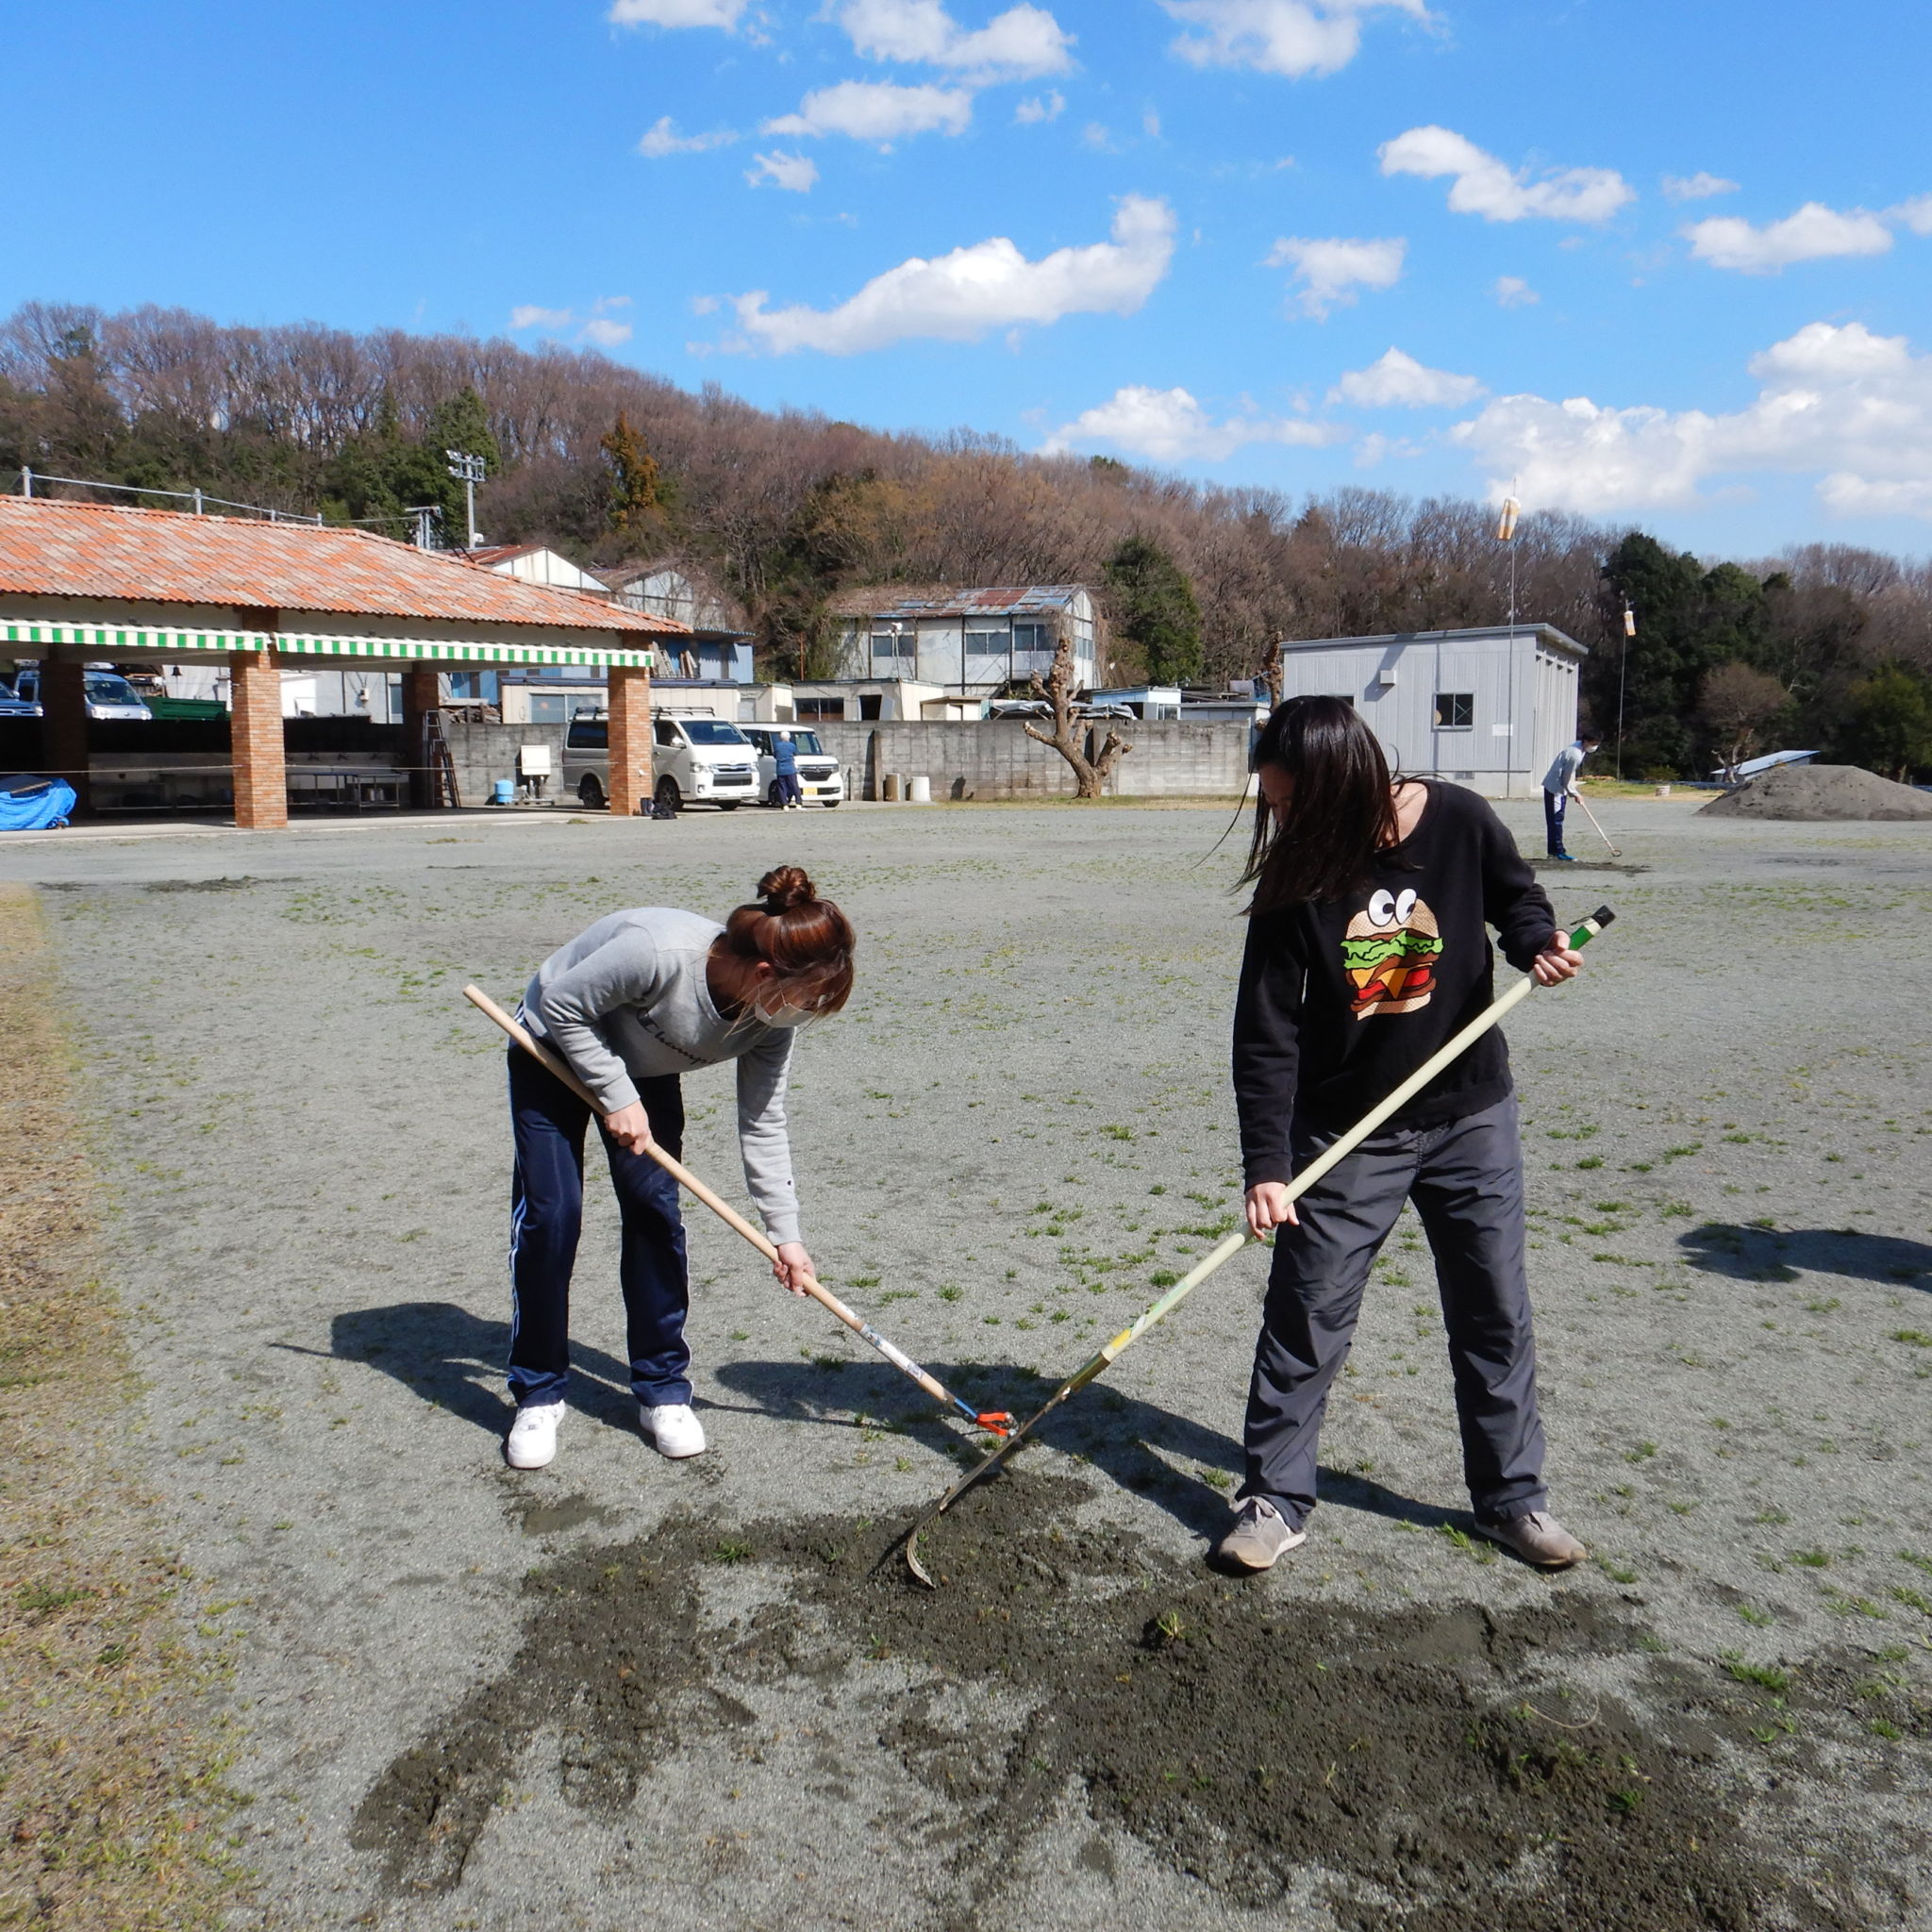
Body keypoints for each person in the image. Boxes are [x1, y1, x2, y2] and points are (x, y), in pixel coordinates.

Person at [1217, 697, 1588, 1574]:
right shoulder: (1295, 874)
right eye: (1272, 802)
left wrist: (1536, 943)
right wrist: (1267, 1164)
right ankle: (1274, 1499)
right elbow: (1265, 1029)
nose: (1278, 819)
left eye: (1288, 801)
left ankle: (1513, 1499)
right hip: (1346, 1130)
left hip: (1469, 1116)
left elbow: (1517, 900)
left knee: (1493, 1307)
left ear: (1339, 785)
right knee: (1308, 1311)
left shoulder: (1459, 820)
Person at [501, 866, 855, 1471]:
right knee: (552, 1217)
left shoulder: (770, 1020)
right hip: (552, 1047)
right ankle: (538, 1392)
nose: (806, 1011)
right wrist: (616, 1094)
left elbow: (763, 1122)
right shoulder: (657, 953)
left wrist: (786, 1235)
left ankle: (662, 1388)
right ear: (763, 973)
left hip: (646, 1069)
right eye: (807, 997)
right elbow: (560, 1003)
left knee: (654, 1213)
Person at [1541, 731, 1601, 862]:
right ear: (1585, 742)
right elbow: (1565, 779)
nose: (1594, 747)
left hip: (1559, 788)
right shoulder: (1575, 755)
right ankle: (1558, 852)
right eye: (1593, 744)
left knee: (1556, 820)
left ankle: (1554, 851)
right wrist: (1576, 794)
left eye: (1597, 744)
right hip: (1555, 789)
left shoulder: (1579, 746)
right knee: (1556, 820)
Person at [772, 731, 804, 810]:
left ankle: (785, 805)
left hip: (780, 769)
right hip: (790, 769)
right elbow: (796, 753)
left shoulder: (777, 745)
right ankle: (798, 803)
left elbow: (775, 755)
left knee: (782, 787)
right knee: (794, 786)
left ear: (781, 737)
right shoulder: (792, 745)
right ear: (788, 737)